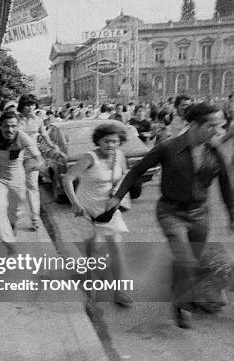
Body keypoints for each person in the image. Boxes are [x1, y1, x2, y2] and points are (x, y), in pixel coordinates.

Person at [105, 102, 234, 329]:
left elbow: (225, 183)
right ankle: (182, 305)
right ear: (195, 125)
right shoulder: (168, 148)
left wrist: (231, 213)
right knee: (185, 258)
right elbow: (137, 171)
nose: (219, 132)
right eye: (213, 126)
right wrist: (117, 197)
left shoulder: (214, 150)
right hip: (171, 212)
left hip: (200, 215)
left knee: (193, 259)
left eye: (221, 126)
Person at [61, 123, 133, 307]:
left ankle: (118, 291)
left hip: (108, 211)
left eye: (115, 141)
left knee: (116, 250)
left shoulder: (120, 156)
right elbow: (67, 178)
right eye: (106, 141)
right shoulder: (89, 157)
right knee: (92, 252)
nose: (110, 145)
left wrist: (118, 197)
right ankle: (91, 294)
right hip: (86, 210)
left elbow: (124, 176)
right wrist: (74, 203)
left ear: (120, 142)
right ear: (98, 141)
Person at [0, 111, 43, 254]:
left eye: (13, 126)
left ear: (18, 126)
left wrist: (34, 166)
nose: (9, 130)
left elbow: (39, 158)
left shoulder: (23, 138)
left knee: (14, 211)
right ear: (0, 126)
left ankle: (12, 225)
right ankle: (9, 243)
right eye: (6, 126)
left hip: (17, 178)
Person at [17, 94, 60, 230]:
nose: (30, 108)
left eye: (33, 105)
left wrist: (53, 146)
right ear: (21, 106)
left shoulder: (38, 120)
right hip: (15, 158)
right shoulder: (15, 120)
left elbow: (45, 135)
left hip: (32, 159)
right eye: (27, 105)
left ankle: (35, 218)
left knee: (33, 187)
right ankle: (16, 211)